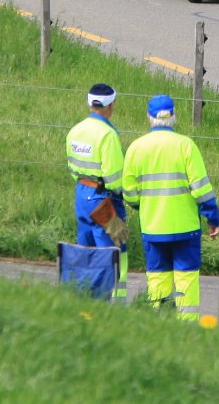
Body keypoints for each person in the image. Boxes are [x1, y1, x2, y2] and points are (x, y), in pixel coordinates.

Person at [121, 94, 219, 321]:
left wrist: (144, 206)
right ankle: (187, 325)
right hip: (186, 227)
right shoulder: (186, 145)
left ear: (149, 117)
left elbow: (129, 193)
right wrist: (212, 217)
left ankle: (159, 324)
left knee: (158, 277)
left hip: (153, 227)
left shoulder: (136, 148)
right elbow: (201, 189)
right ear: (174, 116)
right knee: (186, 278)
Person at [65, 83, 128, 301]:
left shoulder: (75, 130)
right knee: (113, 248)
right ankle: (110, 301)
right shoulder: (108, 134)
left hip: (81, 195)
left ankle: (84, 297)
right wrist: (124, 196)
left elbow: (72, 168)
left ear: (89, 103)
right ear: (111, 105)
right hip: (104, 201)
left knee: (85, 250)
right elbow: (114, 178)